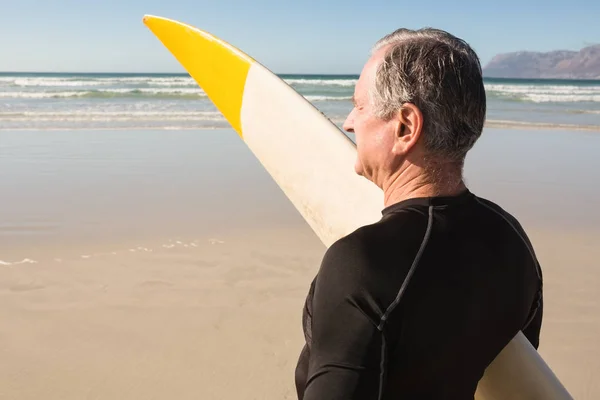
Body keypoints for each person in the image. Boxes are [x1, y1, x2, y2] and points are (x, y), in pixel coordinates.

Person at [294, 28, 543, 400]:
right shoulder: (513, 240)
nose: (348, 122)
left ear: (405, 127)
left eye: (360, 106)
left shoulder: (360, 264)